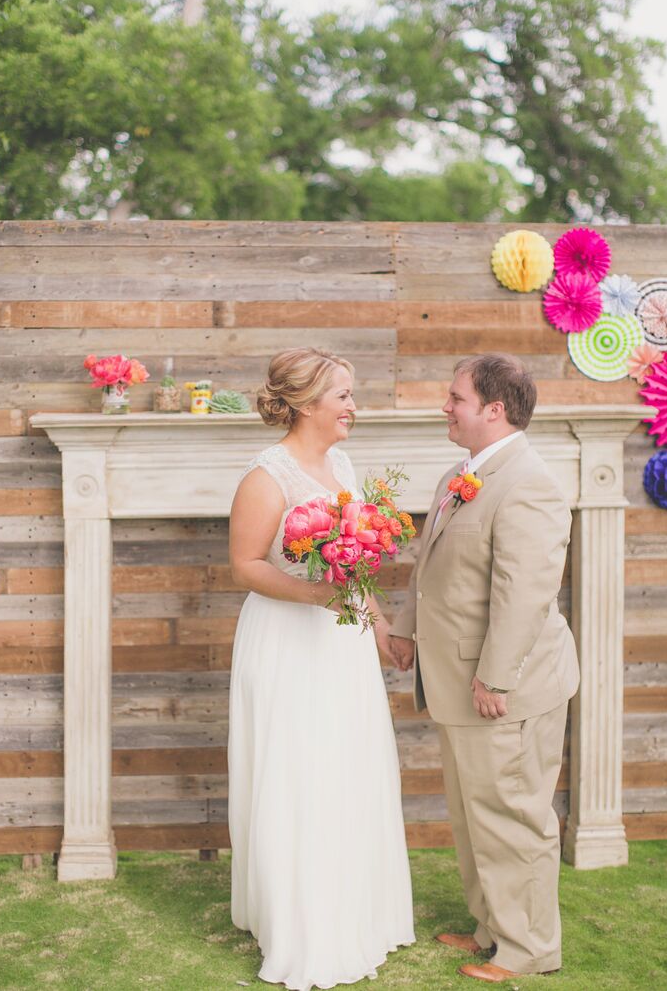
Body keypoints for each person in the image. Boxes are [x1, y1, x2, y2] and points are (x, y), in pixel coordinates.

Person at [228, 347, 415, 991]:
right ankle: (300, 925)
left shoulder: (343, 464)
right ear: (308, 403)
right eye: (344, 396)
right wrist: (319, 597)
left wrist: (383, 627)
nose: (353, 408)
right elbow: (247, 565)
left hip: (341, 644)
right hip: (287, 640)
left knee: (346, 766)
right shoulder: (265, 476)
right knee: (298, 771)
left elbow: (357, 568)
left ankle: (353, 913)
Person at [389, 353, 579, 984]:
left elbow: (525, 591)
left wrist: (495, 676)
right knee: (474, 813)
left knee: (512, 816)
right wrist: (405, 632)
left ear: (494, 410)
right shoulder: (460, 474)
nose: (445, 406)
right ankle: (492, 929)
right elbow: (433, 569)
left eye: (456, 398)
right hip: (455, 680)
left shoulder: (530, 481)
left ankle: (528, 951)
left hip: (504, 688)